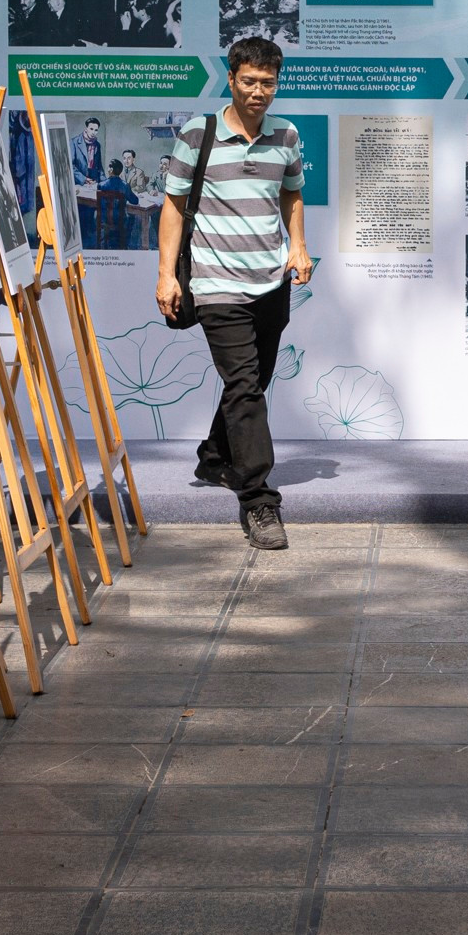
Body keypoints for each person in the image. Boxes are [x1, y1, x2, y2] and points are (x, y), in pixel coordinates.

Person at [156, 35, 312, 551]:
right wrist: (166, 275)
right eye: (249, 81)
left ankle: (214, 457)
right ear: (231, 78)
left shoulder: (286, 135)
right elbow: (174, 207)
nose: (258, 92)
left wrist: (298, 248)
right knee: (245, 386)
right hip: (216, 283)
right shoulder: (197, 135)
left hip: (271, 281)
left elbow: (292, 192)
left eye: (268, 82)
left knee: (255, 380)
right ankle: (259, 502)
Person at [71, 118, 104, 185]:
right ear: (86, 129)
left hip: (93, 182)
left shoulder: (97, 145)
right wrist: (84, 179)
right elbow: (70, 165)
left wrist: (105, 182)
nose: (93, 132)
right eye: (91, 129)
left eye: (96, 130)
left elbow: (99, 167)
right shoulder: (74, 142)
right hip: (79, 182)